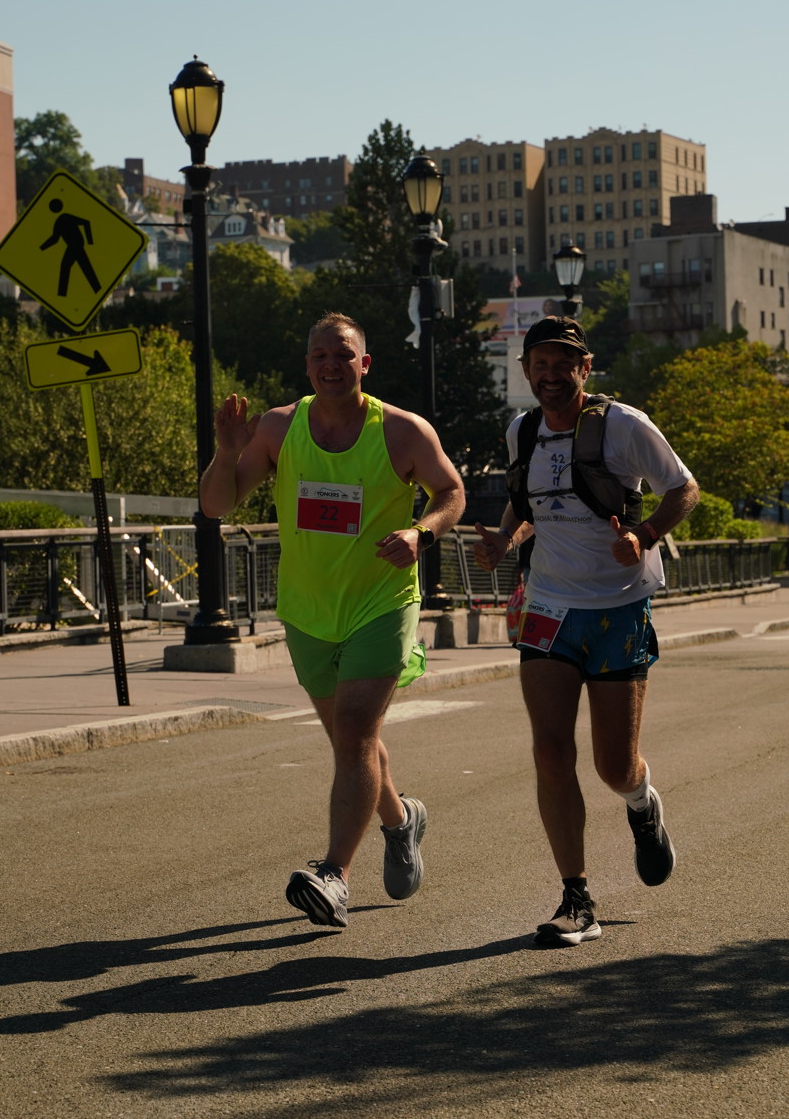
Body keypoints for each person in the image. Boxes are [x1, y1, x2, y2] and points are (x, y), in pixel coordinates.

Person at [200, 312, 465, 930]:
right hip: (309, 612)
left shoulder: (401, 431)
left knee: (353, 729)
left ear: (363, 364)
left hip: (382, 602)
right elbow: (216, 505)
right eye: (320, 355)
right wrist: (226, 452)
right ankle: (402, 821)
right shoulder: (278, 428)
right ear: (307, 366)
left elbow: (451, 492)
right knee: (354, 743)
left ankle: (334, 876)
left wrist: (420, 533)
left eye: (343, 355)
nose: (331, 365)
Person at [474, 316, 699, 948]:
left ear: (584, 368)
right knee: (550, 752)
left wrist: (645, 534)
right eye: (540, 364)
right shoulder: (521, 431)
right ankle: (576, 898)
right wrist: (505, 537)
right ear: (526, 370)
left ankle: (641, 803)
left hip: (618, 609)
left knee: (614, 766)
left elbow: (684, 489)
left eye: (563, 364)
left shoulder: (623, 425)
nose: (551, 376)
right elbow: (530, 502)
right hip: (548, 607)